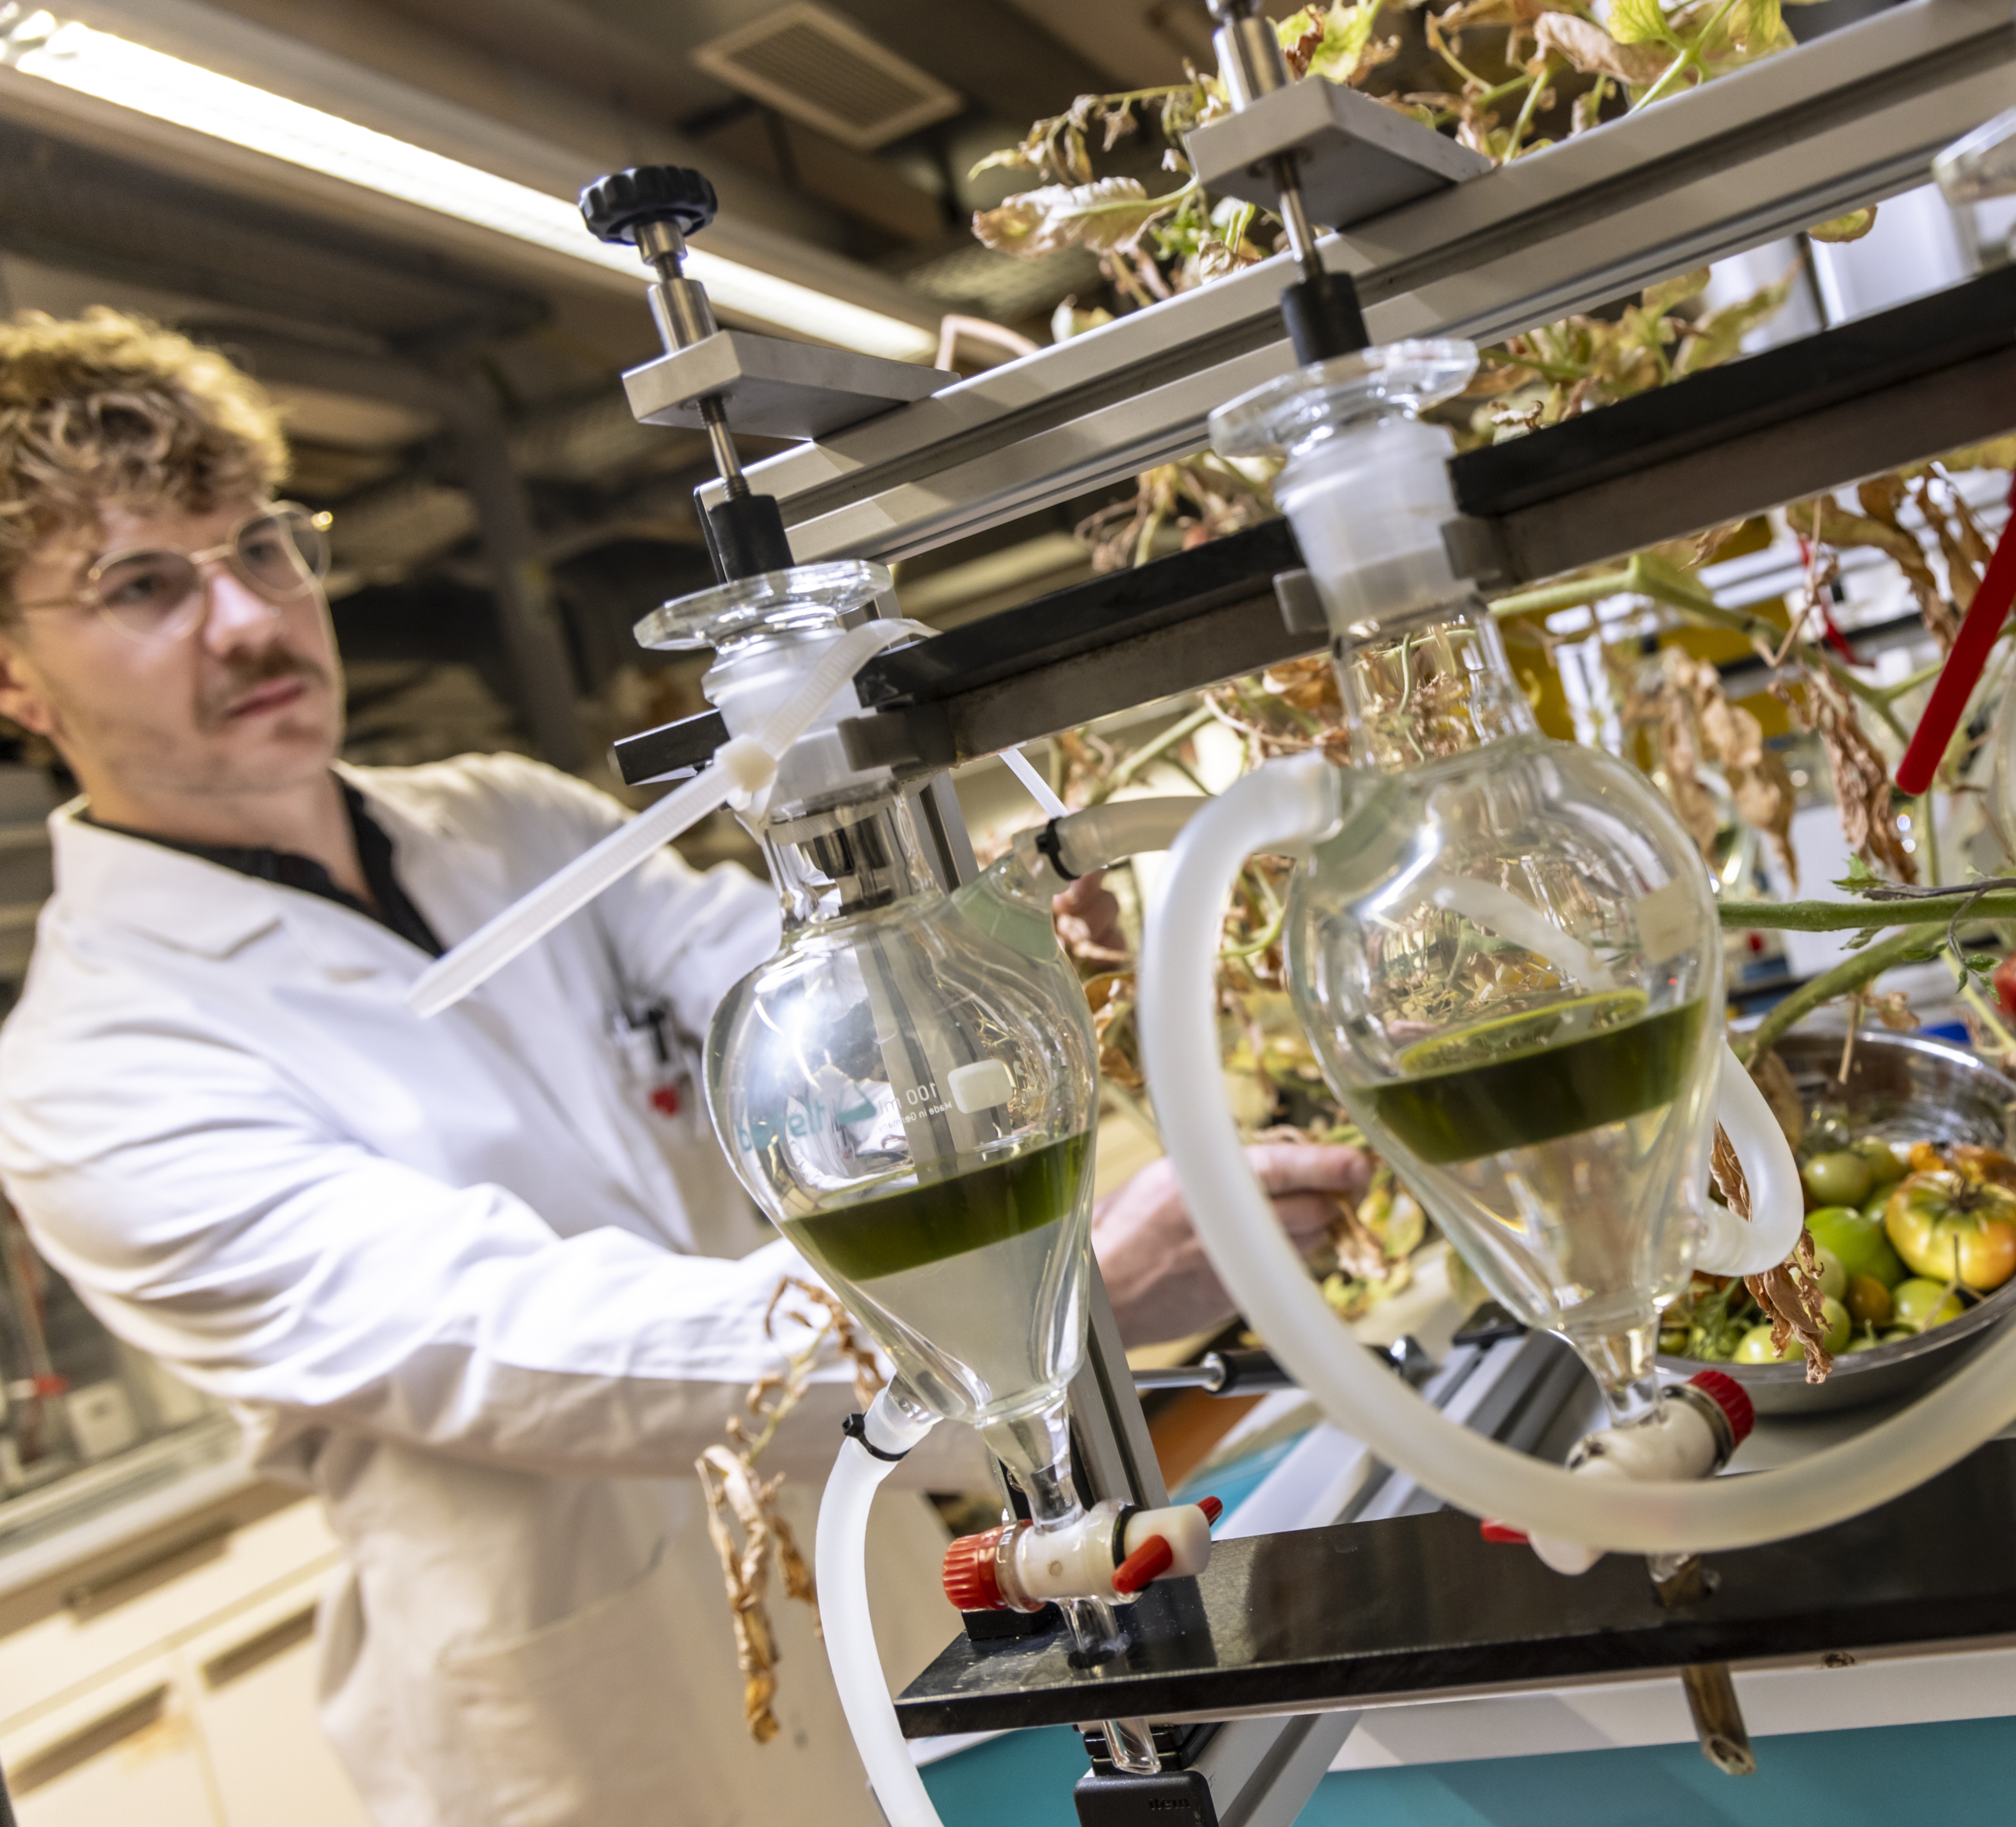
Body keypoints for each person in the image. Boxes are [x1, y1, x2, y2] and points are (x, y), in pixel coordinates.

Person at [0, 309, 1369, 1827]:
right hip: (593, 1722)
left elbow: (805, 1013)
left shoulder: (505, 821)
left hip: (879, 1583)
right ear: (13, 675)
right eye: (142, 586)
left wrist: (972, 930)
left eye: (259, 547)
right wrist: (1019, 1316)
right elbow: (499, 1339)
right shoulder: (88, 1064)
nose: (249, 619)